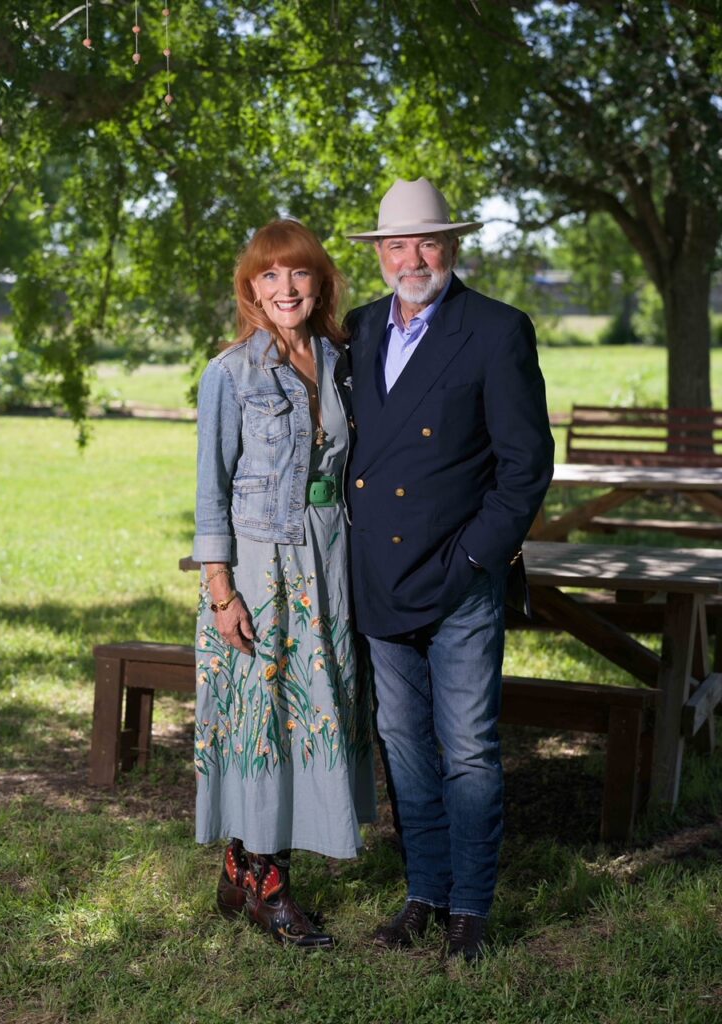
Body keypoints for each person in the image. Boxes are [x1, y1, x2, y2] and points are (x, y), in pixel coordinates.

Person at [345, 178, 555, 960]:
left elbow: (526, 465)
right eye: (397, 245)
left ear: (453, 246)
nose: (412, 259)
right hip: (379, 576)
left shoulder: (497, 329)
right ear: (379, 254)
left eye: (427, 243)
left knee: (467, 749)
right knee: (403, 746)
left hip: (460, 577)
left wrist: (475, 557)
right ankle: (424, 892)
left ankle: (470, 908)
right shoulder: (360, 328)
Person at [192, 219, 376, 950]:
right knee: (263, 717)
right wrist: (221, 590)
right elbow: (210, 491)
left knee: (313, 710)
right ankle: (268, 886)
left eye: (298, 273)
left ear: (321, 283)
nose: (285, 287)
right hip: (260, 567)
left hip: (329, 560)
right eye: (269, 275)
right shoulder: (230, 372)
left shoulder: (343, 362)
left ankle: (240, 866)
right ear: (251, 289)